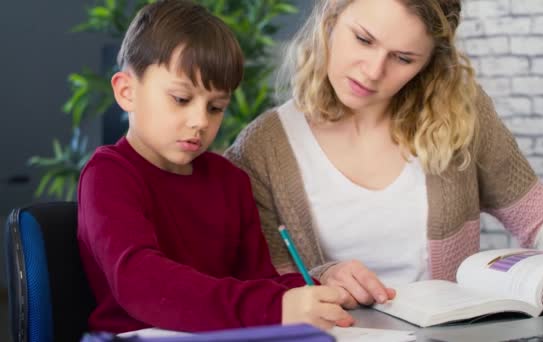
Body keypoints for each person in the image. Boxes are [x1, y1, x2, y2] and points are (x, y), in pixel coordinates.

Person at [225, 0, 543, 309]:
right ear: (331, 16)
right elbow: (263, 284)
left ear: (429, 62)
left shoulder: (459, 115)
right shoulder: (262, 149)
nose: (373, 71)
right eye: (363, 39)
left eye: (403, 58)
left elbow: (538, 217)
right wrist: (321, 277)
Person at [77, 0, 354, 334]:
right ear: (126, 91)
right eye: (181, 99)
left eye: (216, 107)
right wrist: (275, 306)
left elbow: (257, 279)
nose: (199, 121)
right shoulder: (109, 174)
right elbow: (143, 285)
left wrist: (315, 289)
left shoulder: (229, 180)